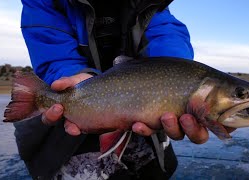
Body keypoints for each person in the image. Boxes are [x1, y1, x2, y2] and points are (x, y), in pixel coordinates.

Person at [14, 0, 220, 179]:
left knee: (157, 172)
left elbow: (167, 34)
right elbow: (52, 47)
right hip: (70, 127)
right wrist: (72, 75)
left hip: (145, 122)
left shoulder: (155, 3)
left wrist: (178, 84)